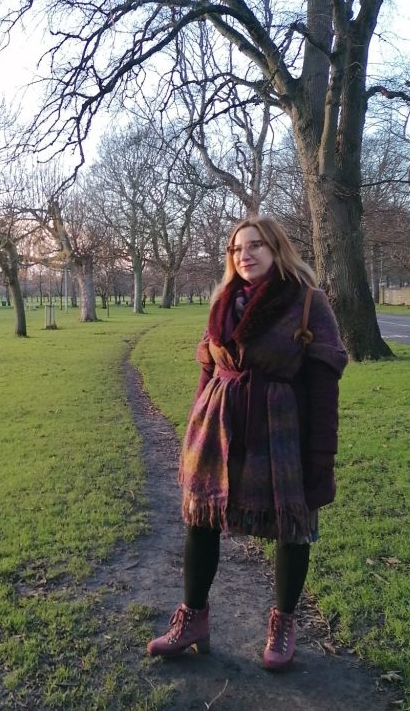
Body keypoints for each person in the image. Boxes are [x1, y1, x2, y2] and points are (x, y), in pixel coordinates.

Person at [147, 216, 348, 670]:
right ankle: (193, 618)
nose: (245, 255)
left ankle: (283, 623)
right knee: (201, 518)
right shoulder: (221, 302)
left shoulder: (308, 303)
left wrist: (321, 458)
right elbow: (207, 369)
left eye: (256, 245)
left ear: (278, 250)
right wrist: (192, 434)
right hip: (215, 428)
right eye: (237, 249)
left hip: (279, 434)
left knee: (293, 526)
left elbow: (323, 387)